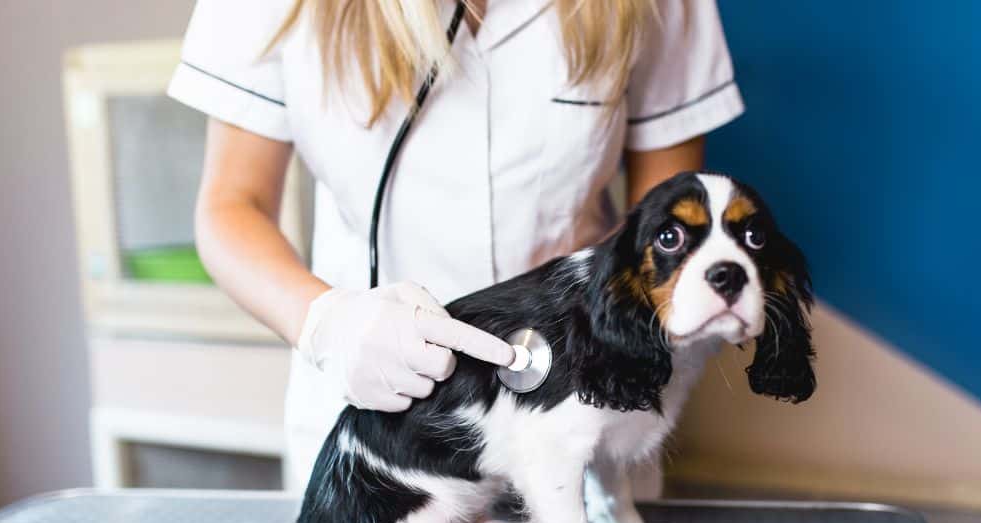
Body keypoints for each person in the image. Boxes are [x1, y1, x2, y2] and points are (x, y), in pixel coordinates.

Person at [168, 0, 744, 492]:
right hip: (381, 443)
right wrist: (325, 323)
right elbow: (230, 206)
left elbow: (666, 221)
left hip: (588, 424)